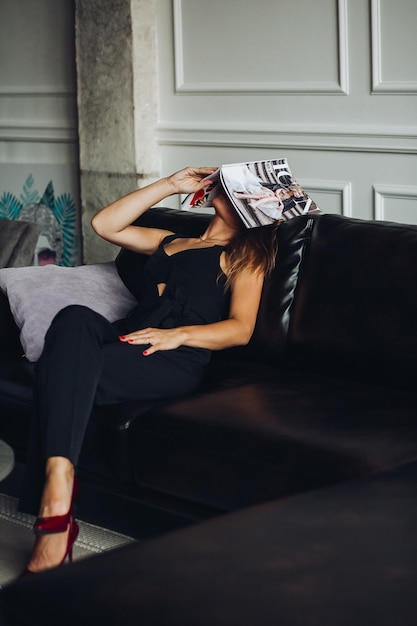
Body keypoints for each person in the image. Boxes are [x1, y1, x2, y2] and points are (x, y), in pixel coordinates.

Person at [21, 166, 280, 574]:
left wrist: (180, 336)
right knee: (73, 318)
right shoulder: (169, 240)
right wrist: (170, 185)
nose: (227, 191)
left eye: (239, 191)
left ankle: (55, 498)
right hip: (127, 338)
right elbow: (104, 223)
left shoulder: (245, 257)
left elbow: (240, 329)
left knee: (57, 373)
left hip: (173, 355)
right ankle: (60, 486)